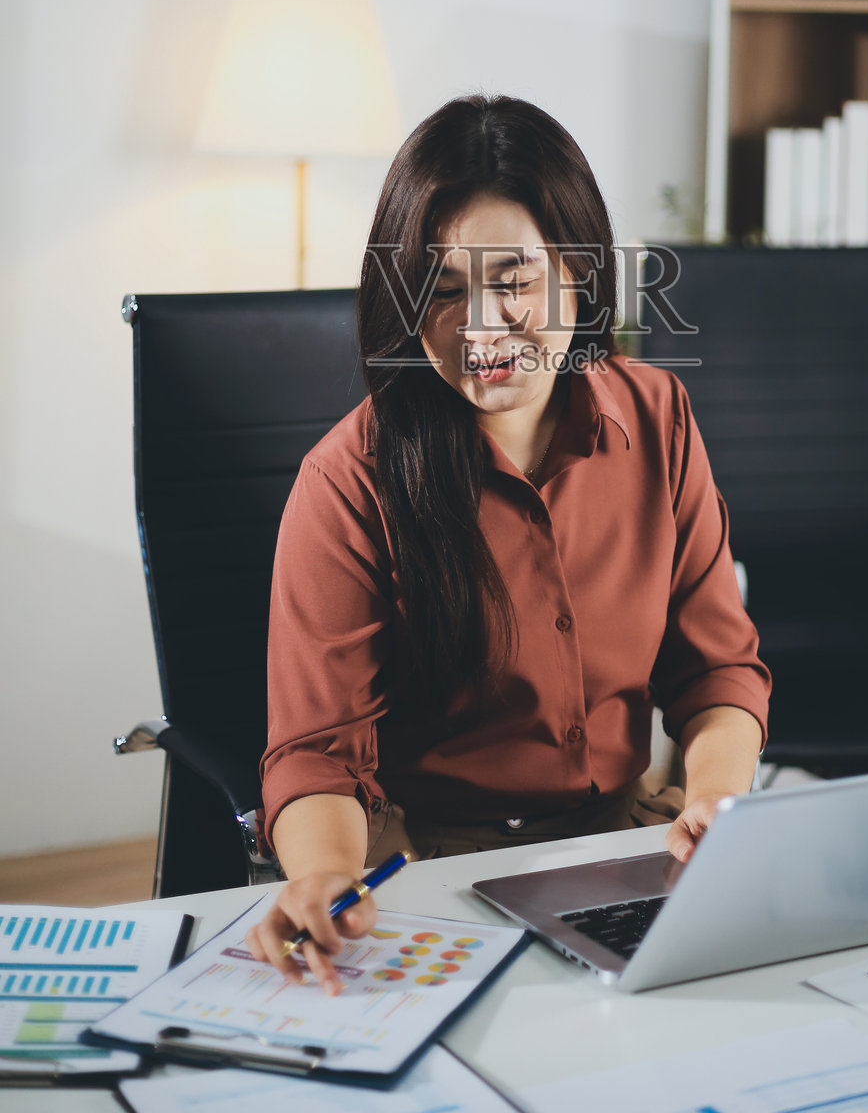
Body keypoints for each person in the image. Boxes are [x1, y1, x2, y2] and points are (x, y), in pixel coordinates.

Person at [248, 94, 770, 992]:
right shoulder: (347, 478)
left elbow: (716, 668)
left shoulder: (658, 417)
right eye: (442, 289)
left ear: (578, 273)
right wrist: (324, 876)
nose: (481, 325)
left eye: (514, 280)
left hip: (623, 840)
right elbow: (318, 753)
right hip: (424, 865)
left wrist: (718, 802)